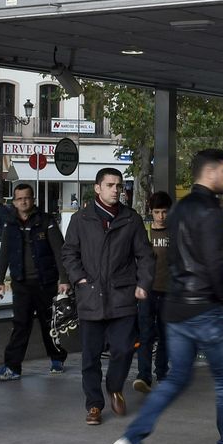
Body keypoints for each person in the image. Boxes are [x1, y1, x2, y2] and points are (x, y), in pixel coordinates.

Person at [111, 150, 223, 444]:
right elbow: (212, 262)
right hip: (207, 308)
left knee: (174, 379)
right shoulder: (209, 210)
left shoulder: (180, 209)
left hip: (176, 308)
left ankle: (129, 441)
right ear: (209, 172)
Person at [61, 168, 153, 425]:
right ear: (98, 188)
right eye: (111, 185)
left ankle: (114, 386)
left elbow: (145, 255)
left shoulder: (130, 220)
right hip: (90, 295)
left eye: (119, 185)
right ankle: (94, 405)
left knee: (123, 349)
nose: (116, 190)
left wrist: (143, 283)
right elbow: (69, 252)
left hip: (122, 295)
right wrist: (78, 277)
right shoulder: (81, 219)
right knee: (90, 356)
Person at [0, 183, 69, 380]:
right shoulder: (10, 223)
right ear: (14, 202)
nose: (23, 201)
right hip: (21, 283)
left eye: (26, 197)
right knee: (20, 325)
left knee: (49, 324)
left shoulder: (46, 221)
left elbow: (59, 251)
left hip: (45, 282)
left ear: (33, 199)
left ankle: (57, 358)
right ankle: (13, 367)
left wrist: (64, 279)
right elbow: (5, 254)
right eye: (19, 199)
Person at [133, 191, 174, 393]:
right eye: (157, 212)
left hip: (169, 292)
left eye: (164, 212)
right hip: (147, 292)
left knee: (166, 335)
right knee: (146, 335)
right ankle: (144, 375)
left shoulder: (175, 234)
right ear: (151, 212)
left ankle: (162, 373)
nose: (161, 216)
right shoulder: (145, 234)